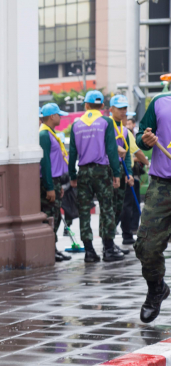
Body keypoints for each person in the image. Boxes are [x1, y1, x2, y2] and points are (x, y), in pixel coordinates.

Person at [68, 90, 123, 263]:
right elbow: (112, 150)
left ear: (86, 105)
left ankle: (89, 252)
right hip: (102, 171)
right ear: (102, 106)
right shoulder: (106, 122)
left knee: (84, 211)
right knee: (107, 208)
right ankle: (108, 249)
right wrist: (116, 173)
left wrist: (72, 174)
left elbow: (72, 153)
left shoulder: (76, 125)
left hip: (83, 172)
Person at [134, 86, 171, 323]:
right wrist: (145, 140)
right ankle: (156, 287)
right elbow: (140, 136)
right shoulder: (160, 101)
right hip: (161, 185)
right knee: (146, 247)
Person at [38, 103, 71, 262]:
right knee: (51, 216)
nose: (61, 117)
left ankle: (53, 248)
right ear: (52, 116)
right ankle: (49, 249)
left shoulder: (50, 133)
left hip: (56, 181)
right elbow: (45, 163)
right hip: (49, 181)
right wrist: (50, 187)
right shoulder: (44, 134)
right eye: (59, 115)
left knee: (56, 216)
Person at [108, 95, 133, 256]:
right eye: (120, 108)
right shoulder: (106, 125)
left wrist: (129, 172)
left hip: (122, 171)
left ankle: (111, 241)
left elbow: (128, 153)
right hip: (109, 172)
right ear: (111, 109)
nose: (123, 111)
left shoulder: (124, 130)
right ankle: (108, 244)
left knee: (118, 208)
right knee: (108, 209)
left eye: (125, 108)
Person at [122, 111, 148, 246]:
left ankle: (122, 233)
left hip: (118, 173)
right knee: (127, 204)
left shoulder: (113, 130)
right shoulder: (125, 133)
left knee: (119, 206)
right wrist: (150, 164)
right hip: (126, 173)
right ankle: (127, 233)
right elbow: (137, 152)